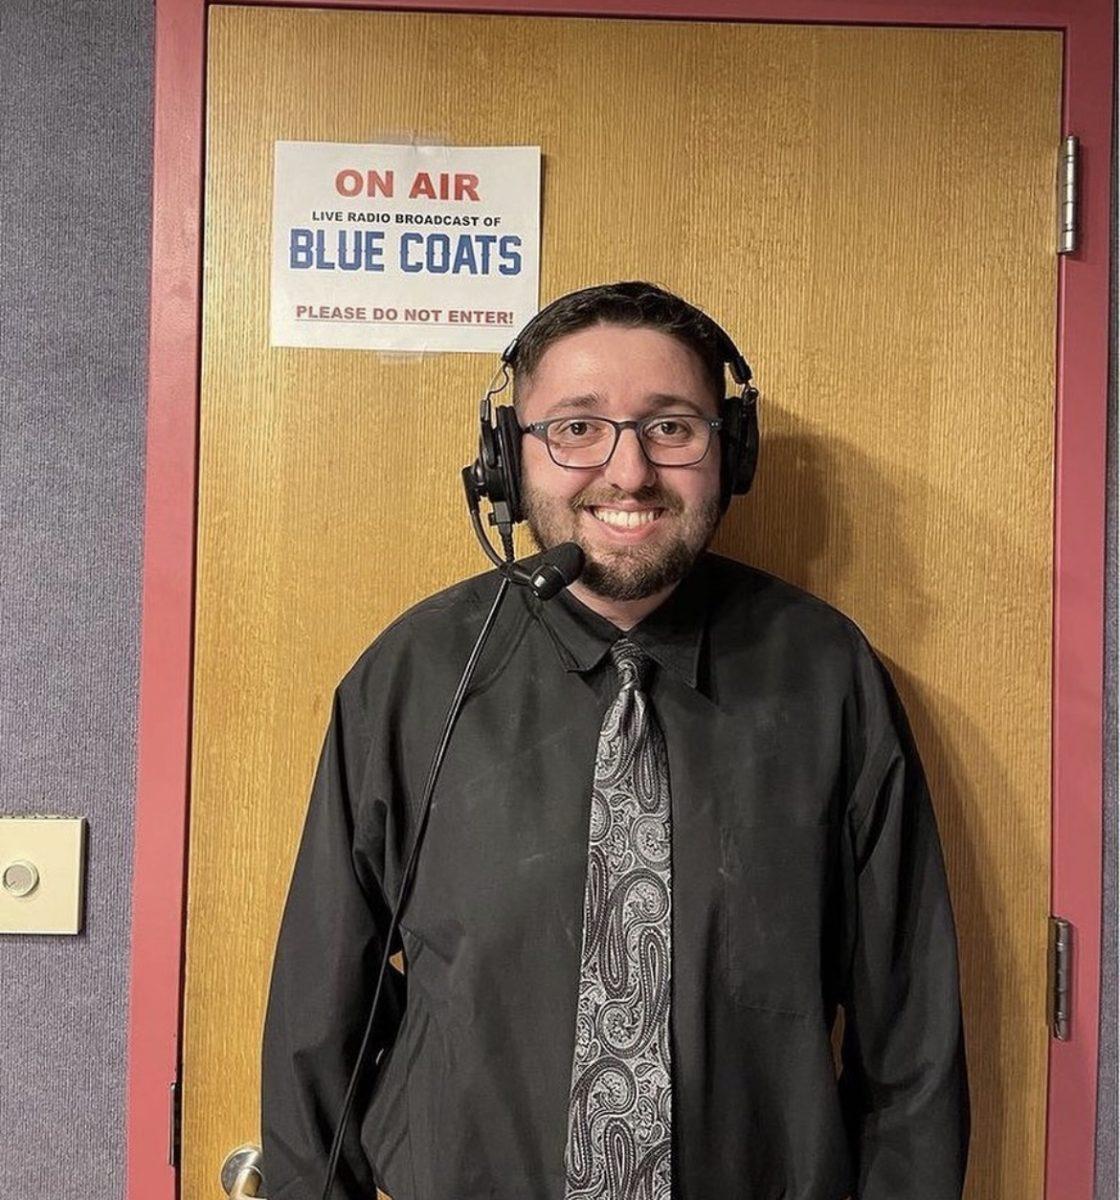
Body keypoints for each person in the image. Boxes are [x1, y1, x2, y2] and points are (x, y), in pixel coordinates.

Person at [261, 281, 970, 1200]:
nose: (628, 473)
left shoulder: (829, 676)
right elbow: (320, 1020)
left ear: (732, 453)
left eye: (671, 427)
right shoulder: (412, 677)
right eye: (577, 428)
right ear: (507, 463)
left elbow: (910, 1040)